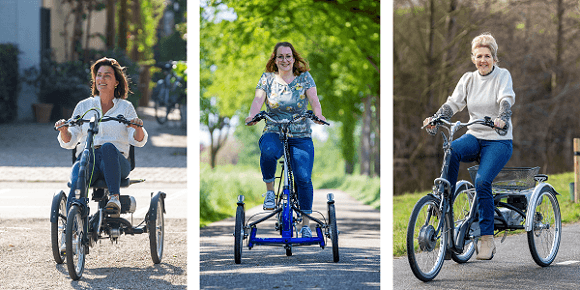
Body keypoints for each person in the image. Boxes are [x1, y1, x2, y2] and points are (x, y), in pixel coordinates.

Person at [423, 33, 515, 260]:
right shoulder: (468, 79)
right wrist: (436, 117)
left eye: (487, 56)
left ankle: (486, 238)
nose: (483, 60)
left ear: (494, 57)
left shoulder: (502, 76)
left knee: (482, 181)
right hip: (474, 135)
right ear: (473, 58)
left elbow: (506, 99)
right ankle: (444, 206)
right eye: (478, 56)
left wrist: (502, 117)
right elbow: (453, 103)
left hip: (498, 140)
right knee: (452, 150)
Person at [245, 42, 326, 238]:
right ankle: (270, 193)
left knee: (303, 177)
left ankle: (306, 225)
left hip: (300, 134)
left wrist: (318, 115)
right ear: (274, 59)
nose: (285, 60)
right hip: (274, 129)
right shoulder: (267, 79)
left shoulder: (305, 78)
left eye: (288, 56)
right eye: (280, 56)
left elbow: (314, 100)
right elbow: (258, 100)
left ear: (294, 58)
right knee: (269, 151)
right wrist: (252, 116)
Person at [55, 57, 148, 217]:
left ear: (116, 82)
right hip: (88, 160)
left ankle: (114, 198)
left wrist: (137, 127)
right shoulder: (83, 106)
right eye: (99, 75)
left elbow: (138, 140)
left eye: (107, 76)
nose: (101, 79)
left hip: (116, 162)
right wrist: (64, 131)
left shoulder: (125, 108)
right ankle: (73, 220)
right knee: (80, 172)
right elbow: (71, 140)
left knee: (107, 147)